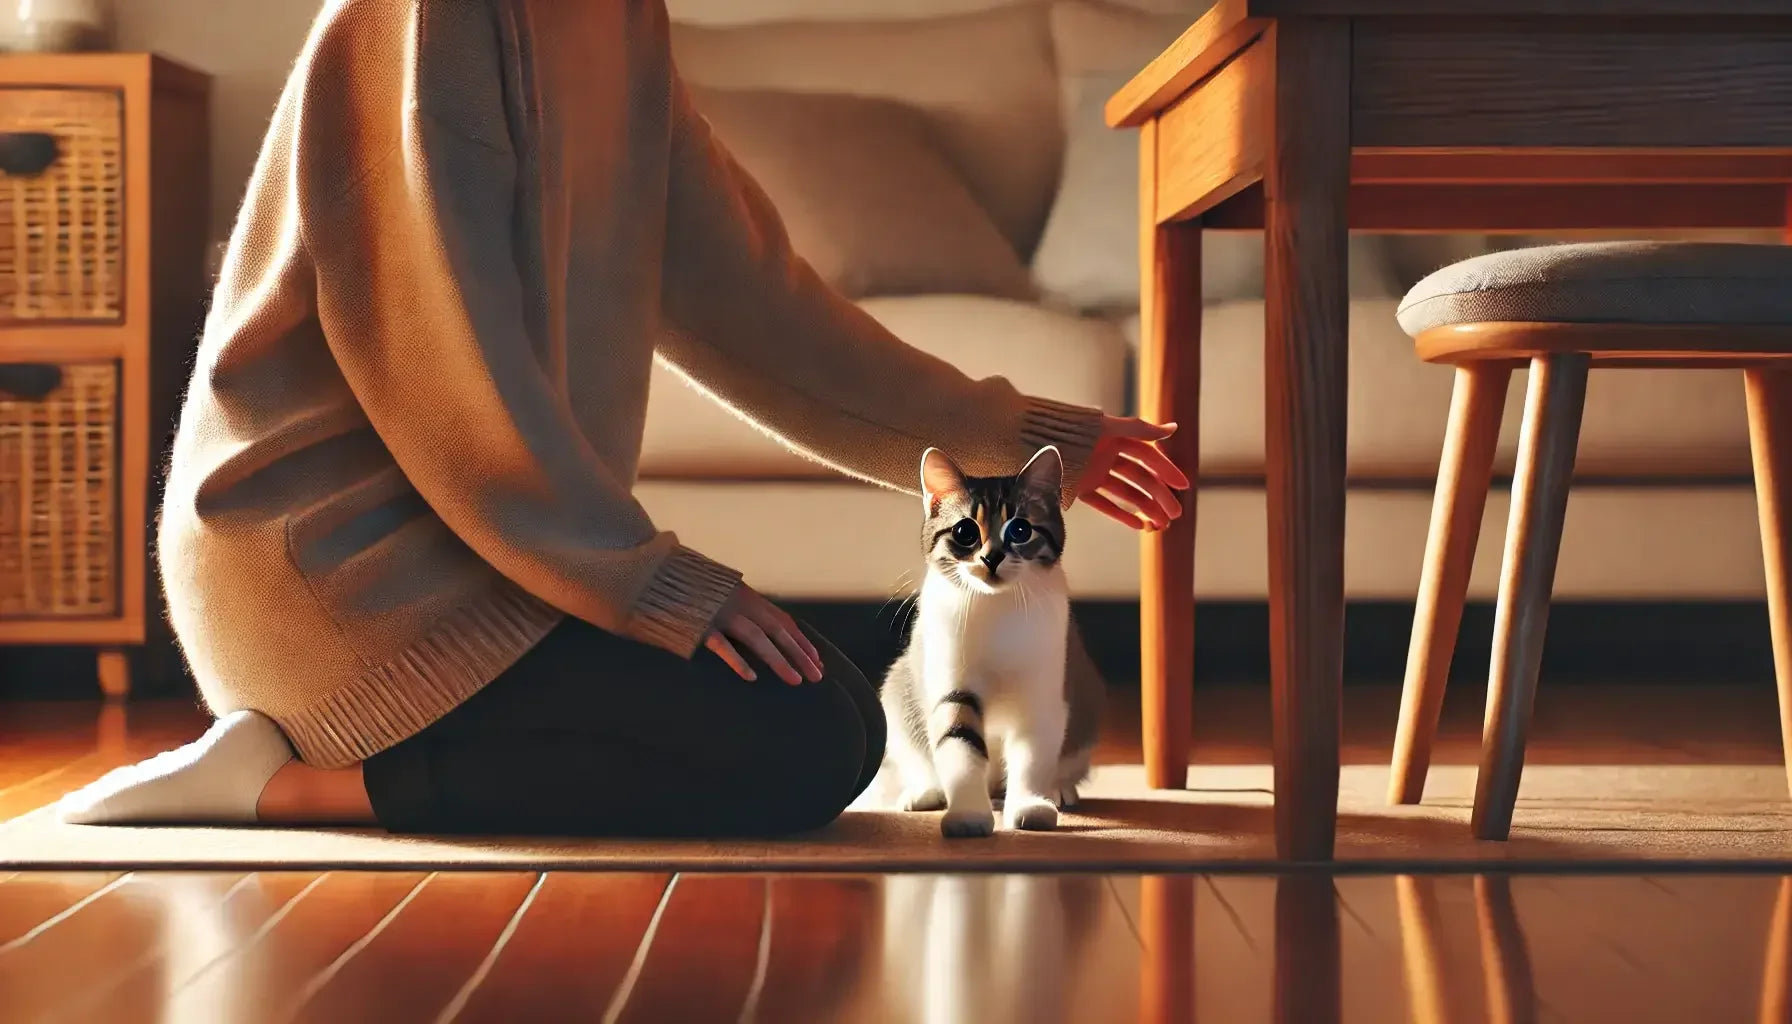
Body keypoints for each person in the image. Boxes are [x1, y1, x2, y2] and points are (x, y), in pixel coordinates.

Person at [57, 0, 1188, 837]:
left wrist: (1025, 439)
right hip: (334, 565)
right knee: (807, 744)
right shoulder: (427, 20)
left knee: (832, 710)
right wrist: (643, 579)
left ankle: (313, 768)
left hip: (492, 552)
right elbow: (442, 356)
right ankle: (278, 782)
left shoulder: (624, 31)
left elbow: (758, 312)